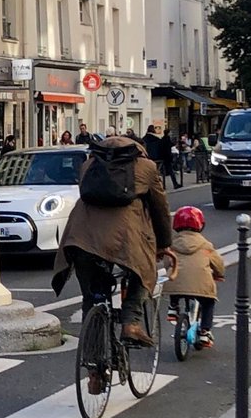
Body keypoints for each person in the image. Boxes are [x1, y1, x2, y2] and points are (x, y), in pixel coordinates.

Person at [51, 134, 174, 350]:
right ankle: (131, 323)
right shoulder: (147, 167)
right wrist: (163, 244)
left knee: (92, 298)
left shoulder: (89, 165)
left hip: (82, 238)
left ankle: (94, 370)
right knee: (144, 274)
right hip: (125, 239)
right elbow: (160, 209)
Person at [167, 206, 224, 350]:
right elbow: (217, 263)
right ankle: (205, 332)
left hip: (176, 283)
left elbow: (168, 262)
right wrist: (219, 274)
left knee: (176, 285)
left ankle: (173, 308)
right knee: (208, 302)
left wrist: (170, 268)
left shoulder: (172, 244)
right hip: (201, 284)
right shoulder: (205, 245)